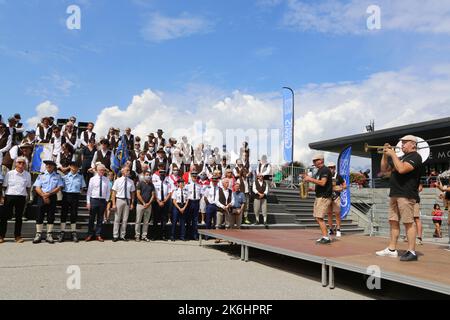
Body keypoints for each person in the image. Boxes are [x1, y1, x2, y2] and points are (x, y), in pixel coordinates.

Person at [376, 135, 423, 261]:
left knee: (408, 222)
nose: (401, 145)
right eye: (401, 143)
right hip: (395, 194)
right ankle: (391, 249)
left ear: (413, 144)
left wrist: (393, 154)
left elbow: (402, 169)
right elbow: (384, 169)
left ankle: (411, 251)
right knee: (393, 221)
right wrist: (385, 154)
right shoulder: (401, 157)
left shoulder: (415, 157)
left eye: (404, 143)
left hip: (406, 194)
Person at [302, 153, 332, 244]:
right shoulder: (319, 171)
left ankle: (326, 237)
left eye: (315, 160)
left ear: (321, 160)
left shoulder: (325, 170)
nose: (314, 162)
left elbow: (323, 183)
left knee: (319, 217)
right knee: (317, 217)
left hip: (324, 197)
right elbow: (321, 185)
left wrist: (310, 179)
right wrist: (312, 188)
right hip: (319, 196)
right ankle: (324, 236)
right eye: (313, 161)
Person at [0, 157, 31, 243]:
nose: (21, 165)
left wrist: (27, 197)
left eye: (23, 163)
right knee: (4, 217)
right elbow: (4, 186)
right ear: (16, 164)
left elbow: (28, 187)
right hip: (9, 196)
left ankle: (17, 236)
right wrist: (2, 197)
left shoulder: (27, 175)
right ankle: (1, 236)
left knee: (19, 218)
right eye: (19, 162)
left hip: (21, 197)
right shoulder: (9, 173)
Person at [32, 160, 64, 244]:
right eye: (47, 165)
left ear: (54, 166)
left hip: (52, 197)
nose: (48, 166)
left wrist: (48, 194)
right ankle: (38, 234)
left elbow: (59, 187)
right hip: (41, 196)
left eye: (50, 165)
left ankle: (49, 234)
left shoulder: (57, 176)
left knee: (51, 215)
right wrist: (43, 195)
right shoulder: (41, 175)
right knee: (39, 215)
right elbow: (37, 187)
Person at [59, 161, 86, 243]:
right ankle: (62, 232)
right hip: (66, 196)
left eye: (77, 166)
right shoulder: (65, 177)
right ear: (70, 166)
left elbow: (83, 187)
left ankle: (73, 232)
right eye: (73, 166)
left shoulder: (80, 177)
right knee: (64, 213)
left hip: (75, 196)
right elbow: (60, 187)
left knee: (74, 214)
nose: (75, 168)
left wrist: (79, 191)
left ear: (78, 168)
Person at [86, 163, 111, 242]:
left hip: (102, 201)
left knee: (100, 219)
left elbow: (108, 192)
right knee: (91, 218)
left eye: (103, 170)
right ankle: (90, 234)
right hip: (94, 200)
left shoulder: (106, 179)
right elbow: (89, 191)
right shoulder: (92, 179)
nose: (102, 171)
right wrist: (88, 202)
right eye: (100, 170)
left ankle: (98, 234)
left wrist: (106, 200)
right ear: (97, 170)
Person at [111, 166, 136, 242]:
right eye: (127, 170)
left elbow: (132, 193)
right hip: (119, 200)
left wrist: (132, 203)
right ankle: (115, 235)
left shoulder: (131, 181)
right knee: (117, 219)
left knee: (125, 219)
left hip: (127, 201)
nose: (128, 172)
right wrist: (114, 204)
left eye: (129, 170)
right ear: (122, 171)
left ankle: (122, 235)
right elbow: (114, 193)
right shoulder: (117, 181)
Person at [135, 170, 155, 242]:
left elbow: (153, 195)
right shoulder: (140, 183)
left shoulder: (151, 185)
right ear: (143, 175)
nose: (148, 176)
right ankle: (137, 236)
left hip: (148, 205)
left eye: (149, 175)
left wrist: (149, 203)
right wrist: (144, 203)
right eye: (146, 174)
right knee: (138, 221)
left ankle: (144, 236)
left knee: (146, 222)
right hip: (140, 205)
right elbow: (138, 194)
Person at [327, 162, 346, 238]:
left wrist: (341, 188)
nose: (331, 169)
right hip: (327, 197)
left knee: (337, 213)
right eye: (329, 167)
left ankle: (338, 229)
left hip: (336, 197)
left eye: (332, 167)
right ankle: (331, 229)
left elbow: (345, 185)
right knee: (329, 214)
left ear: (335, 168)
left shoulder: (338, 176)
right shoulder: (326, 176)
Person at [152, 168, 172, 240]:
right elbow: (154, 194)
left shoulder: (168, 184)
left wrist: (164, 201)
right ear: (159, 175)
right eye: (161, 175)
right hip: (157, 203)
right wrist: (158, 201)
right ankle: (154, 235)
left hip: (165, 203)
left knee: (164, 220)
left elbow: (169, 193)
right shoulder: (155, 183)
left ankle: (163, 235)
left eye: (163, 175)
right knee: (156, 219)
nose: (162, 176)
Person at [233, 159, 251, 224]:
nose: (245, 173)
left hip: (246, 193)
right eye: (243, 172)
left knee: (246, 206)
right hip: (241, 194)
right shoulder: (238, 180)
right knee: (240, 206)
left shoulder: (247, 179)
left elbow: (249, 174)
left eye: (245, 172)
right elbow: (237, 187)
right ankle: (240, 219)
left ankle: (246, 218)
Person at [186, 170, 202, 240]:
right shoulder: (187, 185)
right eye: (193, 176)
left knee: (195, 220)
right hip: (190, 202)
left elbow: (201, 195)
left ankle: (195, 235)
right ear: (191, 177)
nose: (194, 178)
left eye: (195, 177)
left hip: (196, 202)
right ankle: (188, 235)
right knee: (188, 219)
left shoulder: (199, 185)